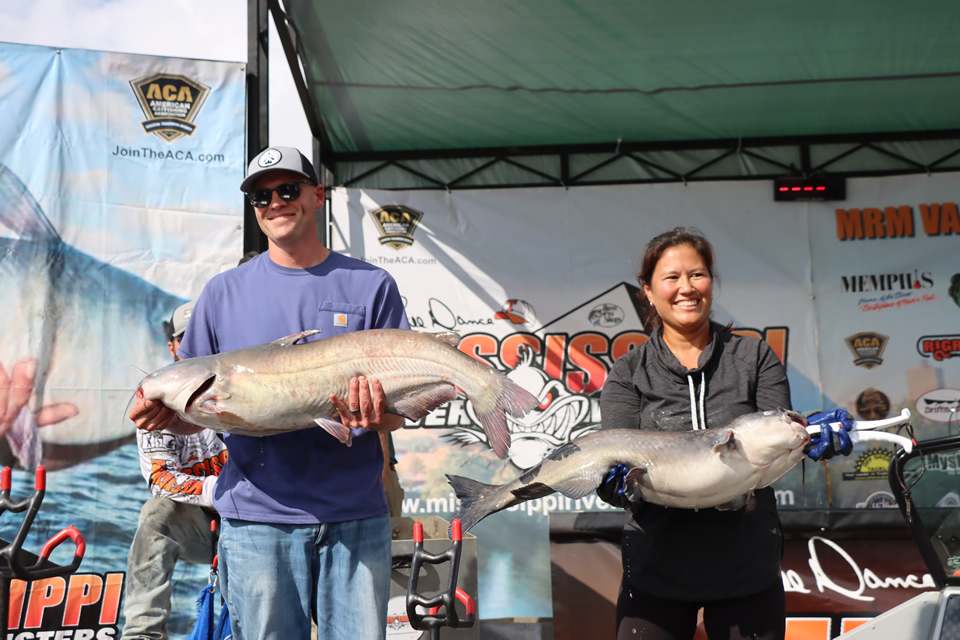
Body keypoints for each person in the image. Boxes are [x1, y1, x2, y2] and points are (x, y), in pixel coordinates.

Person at [128, 146, 409, 640]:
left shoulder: (372, 285)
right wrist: (167, 416)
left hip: (356, 513)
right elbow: (204, 411)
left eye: (287, 189)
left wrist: (376, 416)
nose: (275, 202)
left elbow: (396, 416)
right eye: (262, 196)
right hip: (256, 519)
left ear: (317, 195)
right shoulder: (221, 292)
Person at [596, 227, 846, 640]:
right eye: (671, 278)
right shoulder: (628, 372)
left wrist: (814, 435)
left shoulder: (755, 356)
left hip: (746, 566)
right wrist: (610, 482)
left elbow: (780, 442)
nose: (686, 289)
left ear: (711, 281)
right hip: (655, 568)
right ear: (648, 289)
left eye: (697, 275)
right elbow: (616, 470)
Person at [121, 300, 228, 640]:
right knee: (156, 515)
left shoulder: (238, 386)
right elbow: (160, 480)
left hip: (255, 518)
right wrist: (225, 491)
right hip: (201, 521)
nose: (194, 346)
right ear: (172, 348)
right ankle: (142, 633)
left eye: (203, 336)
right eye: (186, 338)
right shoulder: (155, 399)